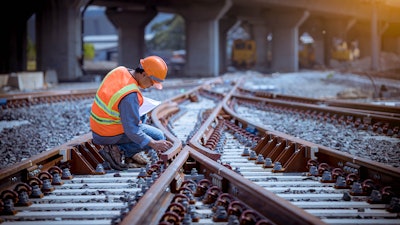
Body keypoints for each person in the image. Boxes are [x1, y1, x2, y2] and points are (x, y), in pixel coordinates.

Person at [89, 55, 173, 170]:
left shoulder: (120, 70)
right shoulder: (130, 95)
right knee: (158, 136)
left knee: (141, 114)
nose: (151, 85)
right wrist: (153, 143)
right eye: (152, 82)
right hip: (107, 133)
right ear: (144, 74)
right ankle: (120, 151)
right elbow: (132, 130)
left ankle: (124, 149)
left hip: (98, 126)